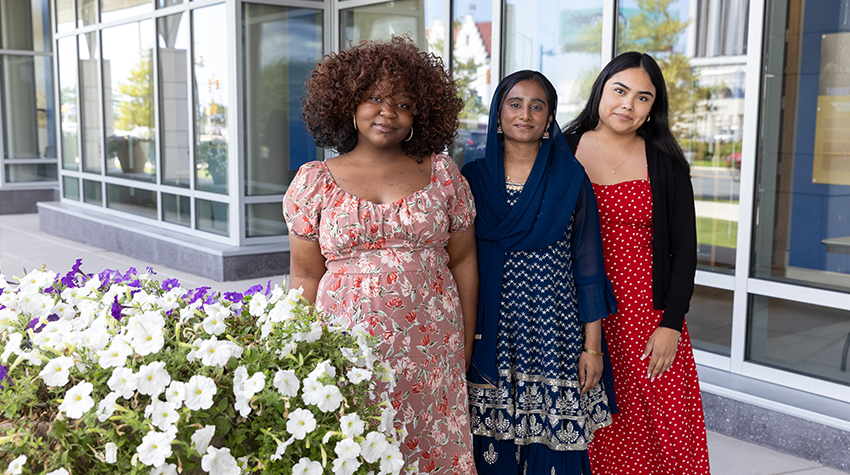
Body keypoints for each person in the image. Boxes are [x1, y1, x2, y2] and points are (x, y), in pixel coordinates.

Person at [283, 36, 478, 475]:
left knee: (431, 451)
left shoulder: (443, 174)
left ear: (419, 115)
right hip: (350, 353)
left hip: (434, 352)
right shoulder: (315, 181)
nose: (388, 112)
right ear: (347, 104)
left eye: (403, 103)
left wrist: (464, 346)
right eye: (374, 98)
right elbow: (305, 277)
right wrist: (300, 355)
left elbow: (463, 260)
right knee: (359, 450)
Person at [462, 70, 618, 475]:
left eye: (537, 106)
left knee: (557, 445)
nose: (525, 114)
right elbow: (455, 262)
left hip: (555, 330)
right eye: (515, 104)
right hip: (492, 331)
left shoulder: (570, 180)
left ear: (549, 119)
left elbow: (588, 267)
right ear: (498, 114)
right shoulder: (472, 180)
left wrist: (593, 347)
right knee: (491, 447)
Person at [562, 52, 711, 474]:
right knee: (598, 429)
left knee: (666, 431)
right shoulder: (562, 150)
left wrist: (671, 324)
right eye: (620, 90)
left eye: (643, 97)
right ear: (601, 91)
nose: (628, 104)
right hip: (581, 314)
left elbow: (684, 251)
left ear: (652, 109)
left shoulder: (665, 164)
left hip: (649, 318)